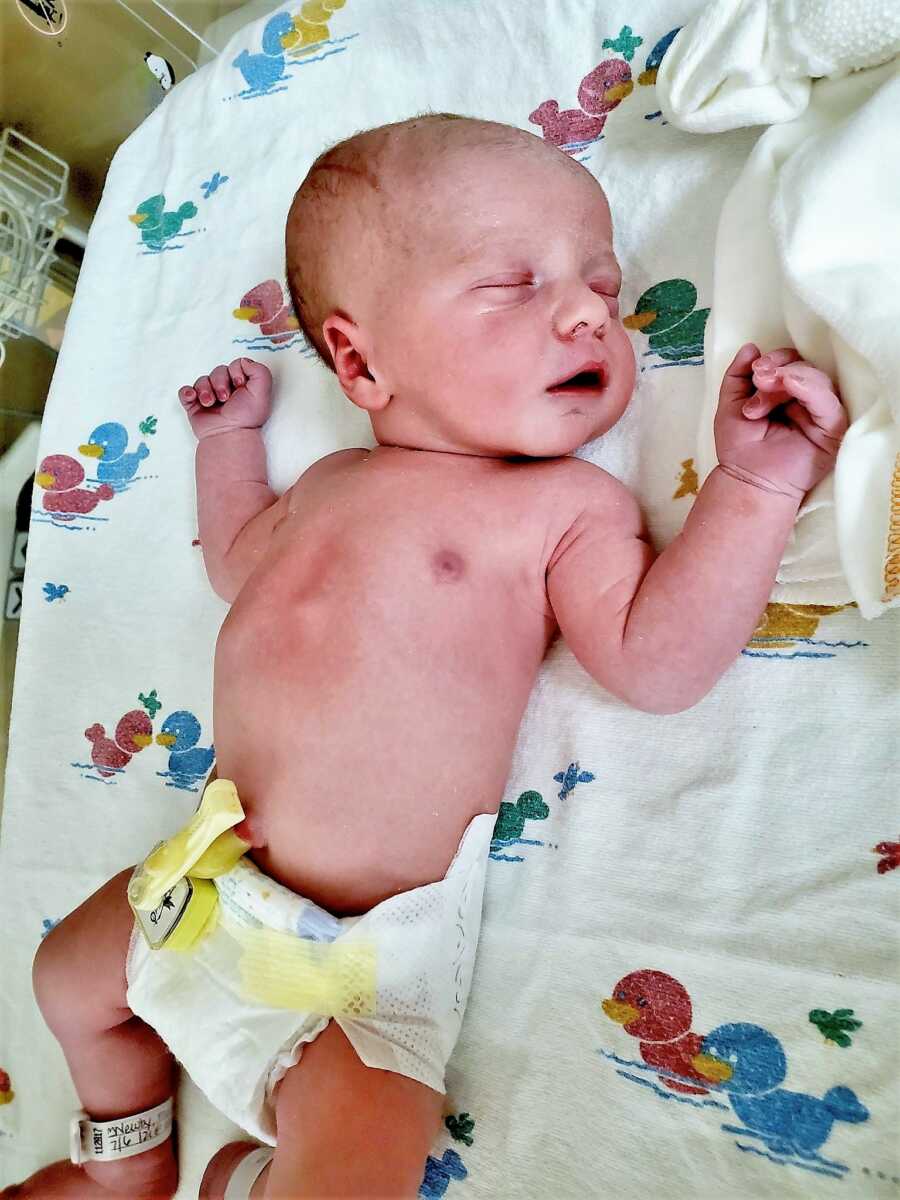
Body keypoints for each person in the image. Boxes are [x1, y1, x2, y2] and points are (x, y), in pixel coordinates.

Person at [5, 114, 847, 1200]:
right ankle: (123, 1159)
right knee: (66, 979)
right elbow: (233, 564)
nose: (591, 309)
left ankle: (253, 1182)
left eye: (603, 284)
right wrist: (228, 448)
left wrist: (754, 486)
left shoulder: (562, 509)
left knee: (363, 1159)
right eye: (514, 283)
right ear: (358, 361)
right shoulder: (324, 490)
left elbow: (659, 662)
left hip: (364, 964)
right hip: (200, 885)